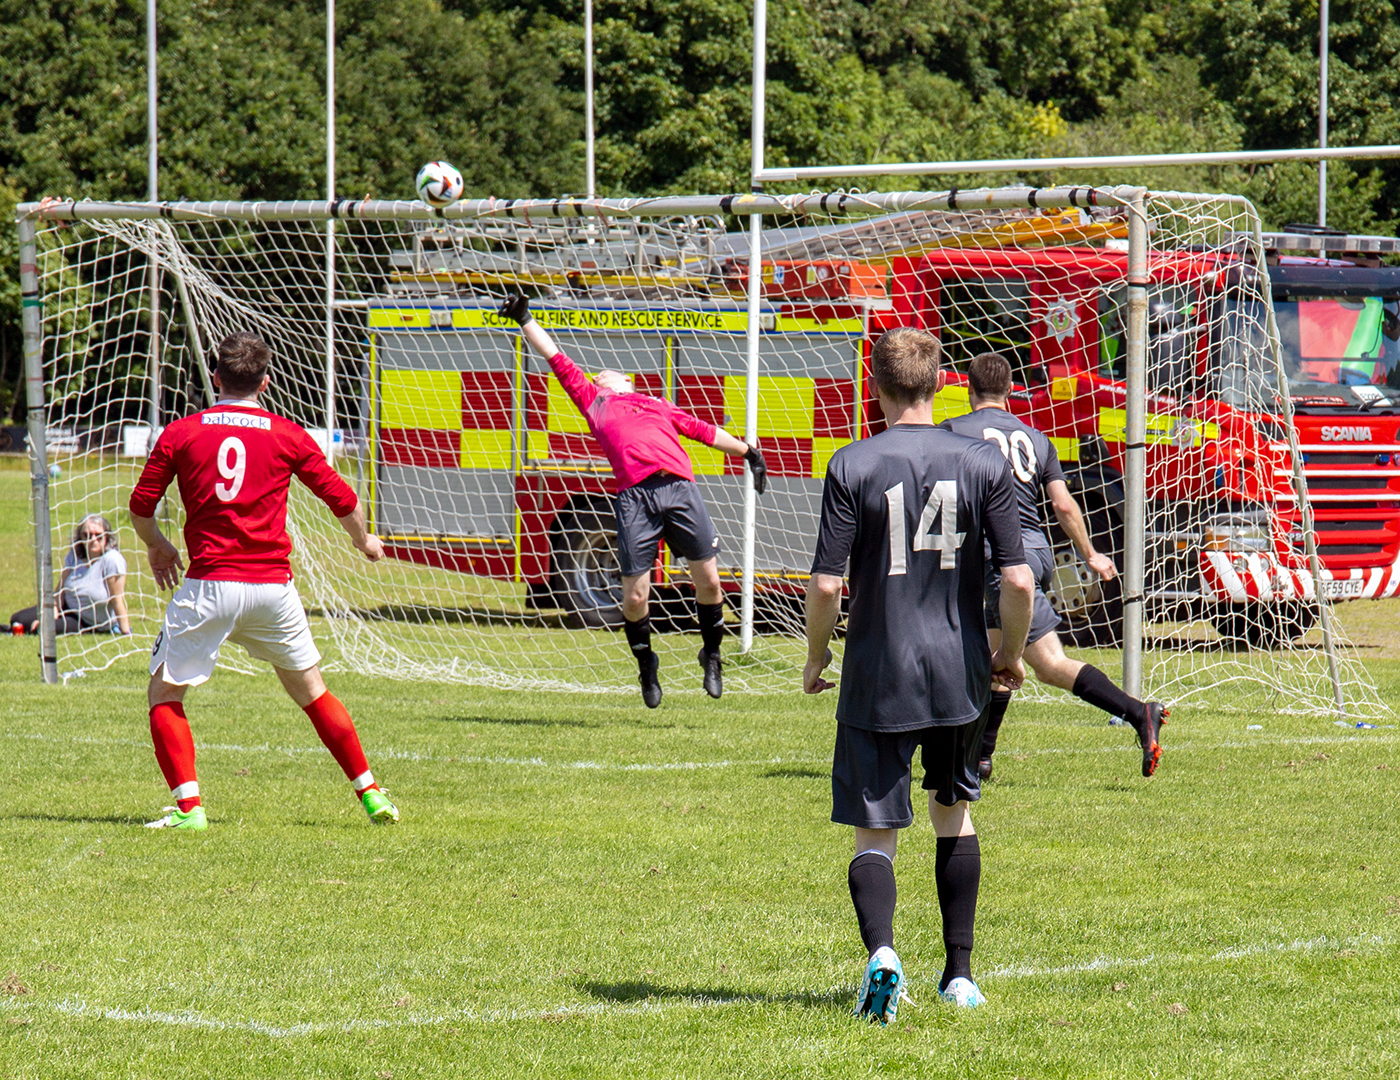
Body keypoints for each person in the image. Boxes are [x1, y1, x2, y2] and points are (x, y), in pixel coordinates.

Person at [804, 326, 1034, 1024]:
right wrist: (1011, 653)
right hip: (959, 668)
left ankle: (882, 957)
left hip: (879, 669)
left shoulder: (851, 464)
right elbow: (1018, 579)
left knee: (875, 834)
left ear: (874, 388)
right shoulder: (983, 462)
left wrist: (817, 656)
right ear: (941, 385)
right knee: (954, 817)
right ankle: (959, 976)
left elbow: (823, 585)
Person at [128, 331, 398, 831]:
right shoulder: (289, 434)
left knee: (164, 694)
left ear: (215, 378)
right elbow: (342, 499)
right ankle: (373, 794)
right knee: (313, 692)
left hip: (209, 585)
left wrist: (158, 545)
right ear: (266, 382)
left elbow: (140, 507)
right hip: (274, 590)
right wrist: (365, 543)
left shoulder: (181, 432)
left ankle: (190, 810)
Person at [497, 294, 767, 706]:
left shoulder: (657, 404)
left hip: (679, 489)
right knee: (635, 597)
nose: (604, 373)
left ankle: (712, 654)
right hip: (635, 499)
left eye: (614, 373)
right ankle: (647, 666)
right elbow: (557, 358)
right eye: (600, 374)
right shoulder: (594, 400)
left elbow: (703, 431)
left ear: (629, 383)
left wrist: (748, 452)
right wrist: (525, 318)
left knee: (710, 581)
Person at [938, 351, 1168, 780]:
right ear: (1010, 392)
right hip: (1037, 554)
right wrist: (1090, 554)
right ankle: (980, 757)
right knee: (995, 652)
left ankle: (1138, 712)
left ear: (967, 390)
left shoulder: (952, 431)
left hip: (998, 560)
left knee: (1046, 663)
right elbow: (1062, 504)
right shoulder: (1036, 438)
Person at [10, 514, 131, 636]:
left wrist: (125, 631)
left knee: (44, 629)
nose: (93, 539)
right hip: (66, 607)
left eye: (98, 535)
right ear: (80, 537)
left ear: (106, 537)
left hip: (87, 620)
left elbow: (117, 599)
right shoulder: (75, 555)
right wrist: (54, 610)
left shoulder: (112, 560)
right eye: (87, 535)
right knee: (17, 620)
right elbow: (60, 589)